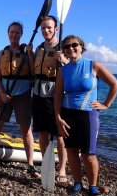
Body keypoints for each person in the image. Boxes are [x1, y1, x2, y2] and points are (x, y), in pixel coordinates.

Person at [54, 35, 117, 196]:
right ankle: (77, 182)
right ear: (64, 51)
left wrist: (106, 104)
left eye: (74, 45)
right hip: (68, 114)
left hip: (88, 116)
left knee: (88, 154)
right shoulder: (63, 70)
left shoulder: (93, 65)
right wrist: (58, 117)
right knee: (71, 151)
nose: (71, 48)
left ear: (81, 47)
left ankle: (92, 186)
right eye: (67, 47)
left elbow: (115, 84)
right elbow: (57, 95)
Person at [0, 22, 39, 177]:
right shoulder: (2, 53)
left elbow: (33, 72)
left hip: (22, 95)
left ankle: (30, 164)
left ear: (21, 34)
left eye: (17, 32)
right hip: (4, 95)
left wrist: (30, 54)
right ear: (8, 33)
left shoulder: (27, 52)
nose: (14, 35)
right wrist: (2, 93)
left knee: (26, 130)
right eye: (12, 32)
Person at [32, 15, 69, 183]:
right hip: (38, 95)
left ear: (56, 29)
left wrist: (65, 61)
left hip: (55, 96)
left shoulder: (63, 47)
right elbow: (34, 70)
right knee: (43, 134)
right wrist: (29, 55)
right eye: (43, 28)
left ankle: (61, 170)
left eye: (49, 27)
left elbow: (73, 68)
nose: (46, 31)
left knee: (59, 135)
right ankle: (46, 166)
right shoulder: (39, 48)